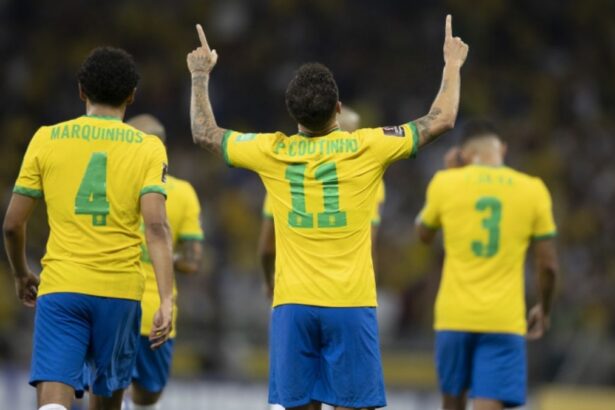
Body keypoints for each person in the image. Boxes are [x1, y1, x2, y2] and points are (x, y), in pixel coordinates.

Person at [187, 15, 468, 410]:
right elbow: (442, 119)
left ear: (293, 115)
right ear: (338, 108)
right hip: (349, 305)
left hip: (293, 306)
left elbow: (204, 132)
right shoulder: (367, 147)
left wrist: (200, 75)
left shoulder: (272, 151)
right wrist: (451, 65)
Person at [2, 47, 174, 410]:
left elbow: (13, 225)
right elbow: (156, 227)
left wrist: (21, 274)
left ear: (81, 90)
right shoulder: (148, 148)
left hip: (63, 285)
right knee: (107, 400)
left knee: (52, 398)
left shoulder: (46, 138)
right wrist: (166, 297)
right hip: (121, 292)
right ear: (131, 96)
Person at [416, 120, 559, 410]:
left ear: (464, 154)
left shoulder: (446, 182)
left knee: (452, 402)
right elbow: (548, 266)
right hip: (503, 320)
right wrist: (544, 307)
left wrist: (448, 177)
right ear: (502, 149)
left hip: (453, 316)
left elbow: (423, 234)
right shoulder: (533, 189)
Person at [258, 107, 386, 299]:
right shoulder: (371, 179)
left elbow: (267, 246)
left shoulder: (286, 172)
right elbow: (370, 243)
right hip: (346, 294)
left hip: (295, 292)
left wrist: (269, 281)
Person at [124, 114, 204, 410]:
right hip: (130, 306)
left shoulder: (182, 192)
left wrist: (163, 254)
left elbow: (194, 260)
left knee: (141, 394)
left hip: (151, 312)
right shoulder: (182, 191)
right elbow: (192, 260)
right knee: (124, 392)